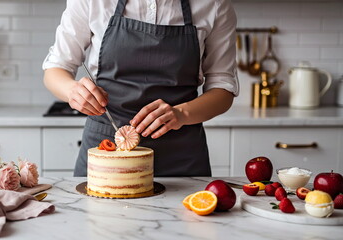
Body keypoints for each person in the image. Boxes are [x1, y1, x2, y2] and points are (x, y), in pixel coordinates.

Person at [42, 0, 239, 177]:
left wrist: (181, 113)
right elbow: (56, 69)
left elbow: (223, 89)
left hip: (181, 158)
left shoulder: (215, 5)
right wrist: (72, 90)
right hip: (106, 154)